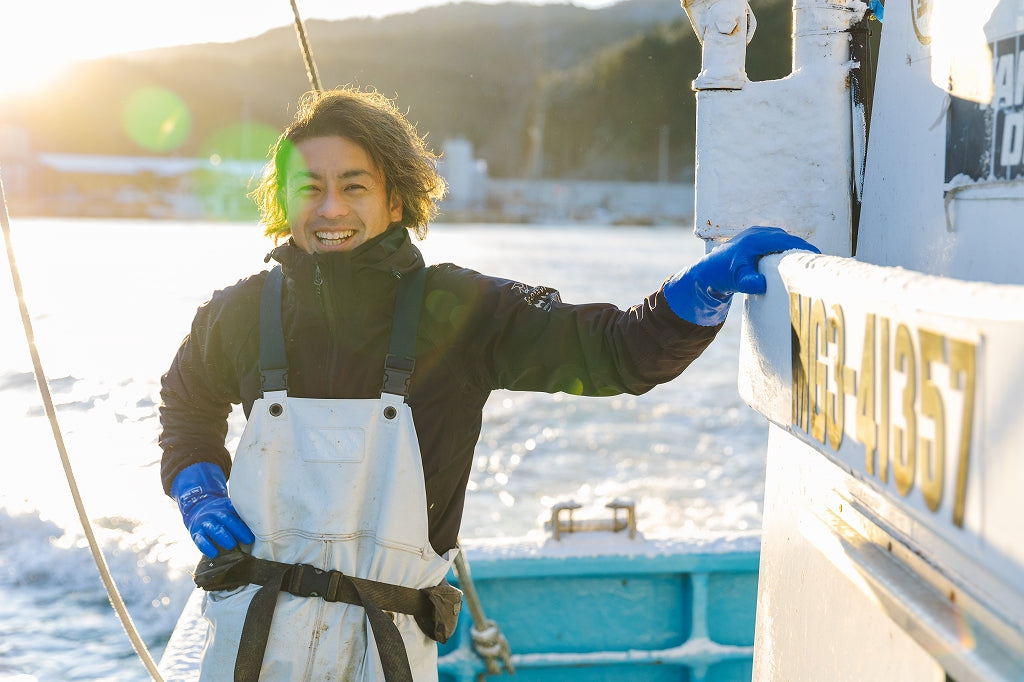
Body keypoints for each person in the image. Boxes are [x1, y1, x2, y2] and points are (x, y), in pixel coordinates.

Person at [159, 86, 819, 681]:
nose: (330, 208)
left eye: (354, 186)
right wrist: (195, 485)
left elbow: (617, 352)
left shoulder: (461, 310)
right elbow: (186, 404)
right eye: (310, 187)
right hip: (249, 642)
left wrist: (698, 291)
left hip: (383, 650)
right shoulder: (238, 313)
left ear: (396, 197)